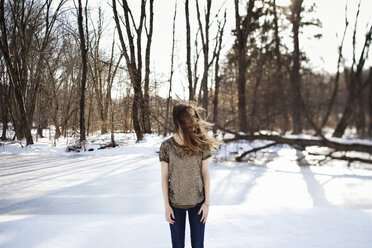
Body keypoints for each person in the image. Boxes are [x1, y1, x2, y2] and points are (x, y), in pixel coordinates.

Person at [159, 101, 219, 248]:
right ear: (179, 120)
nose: (193, 120)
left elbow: (205, 174)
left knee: (198, 245)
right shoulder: (166, 146)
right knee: (177, 245)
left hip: (198, 204)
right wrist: (167, 206)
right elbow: (164, 178)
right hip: (175, 204)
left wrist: (207, 203)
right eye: (189, 117)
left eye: (194, 116)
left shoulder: (201, 143)